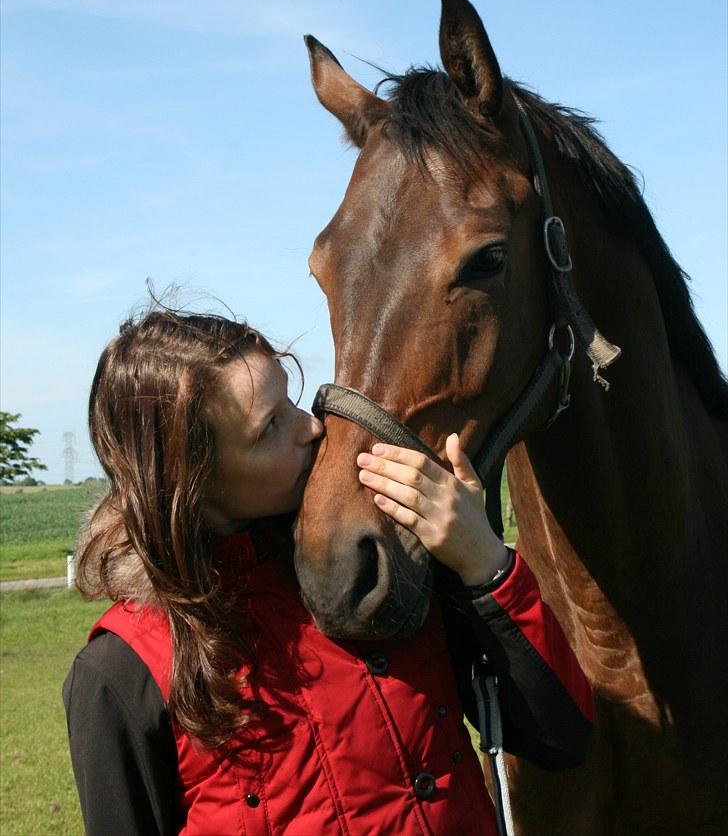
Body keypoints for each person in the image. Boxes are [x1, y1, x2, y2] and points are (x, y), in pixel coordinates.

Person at [63, 307, 593, 836]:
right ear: (190, 480)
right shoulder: (121, 674)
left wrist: (481, 561)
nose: (312, 427)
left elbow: (560, 736)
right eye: (269, 426)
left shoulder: (378, 565)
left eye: (291, 402)